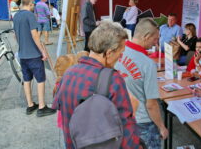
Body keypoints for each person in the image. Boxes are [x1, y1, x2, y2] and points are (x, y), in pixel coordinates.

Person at [52, 21, 140, 149]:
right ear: (109, 53)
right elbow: (127, 131)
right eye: (120, 53)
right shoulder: (113, 80)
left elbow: (63, 114)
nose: (120, 58)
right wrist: (133, 111)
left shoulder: (69, 73)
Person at [115, 18, 168, 149]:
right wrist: (162, 127)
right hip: (143, 122)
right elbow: (151, 104)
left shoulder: (117, 51)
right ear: (146, 37)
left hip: (121, 116)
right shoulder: (148, 64)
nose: (156, 43)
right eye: (155, 39)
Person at [13, 0, 56, 117]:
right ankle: (42, 107)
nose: (33, 7)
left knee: (27, 79)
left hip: (22, 55)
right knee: (40, 79)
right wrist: (43, 51)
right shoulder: (30, 16)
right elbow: (35, 35)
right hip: (33, 55)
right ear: (30, 4)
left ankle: (30, 105)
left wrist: (22, 45)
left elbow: (15, 35)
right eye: (33, 5)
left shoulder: (16, 16)